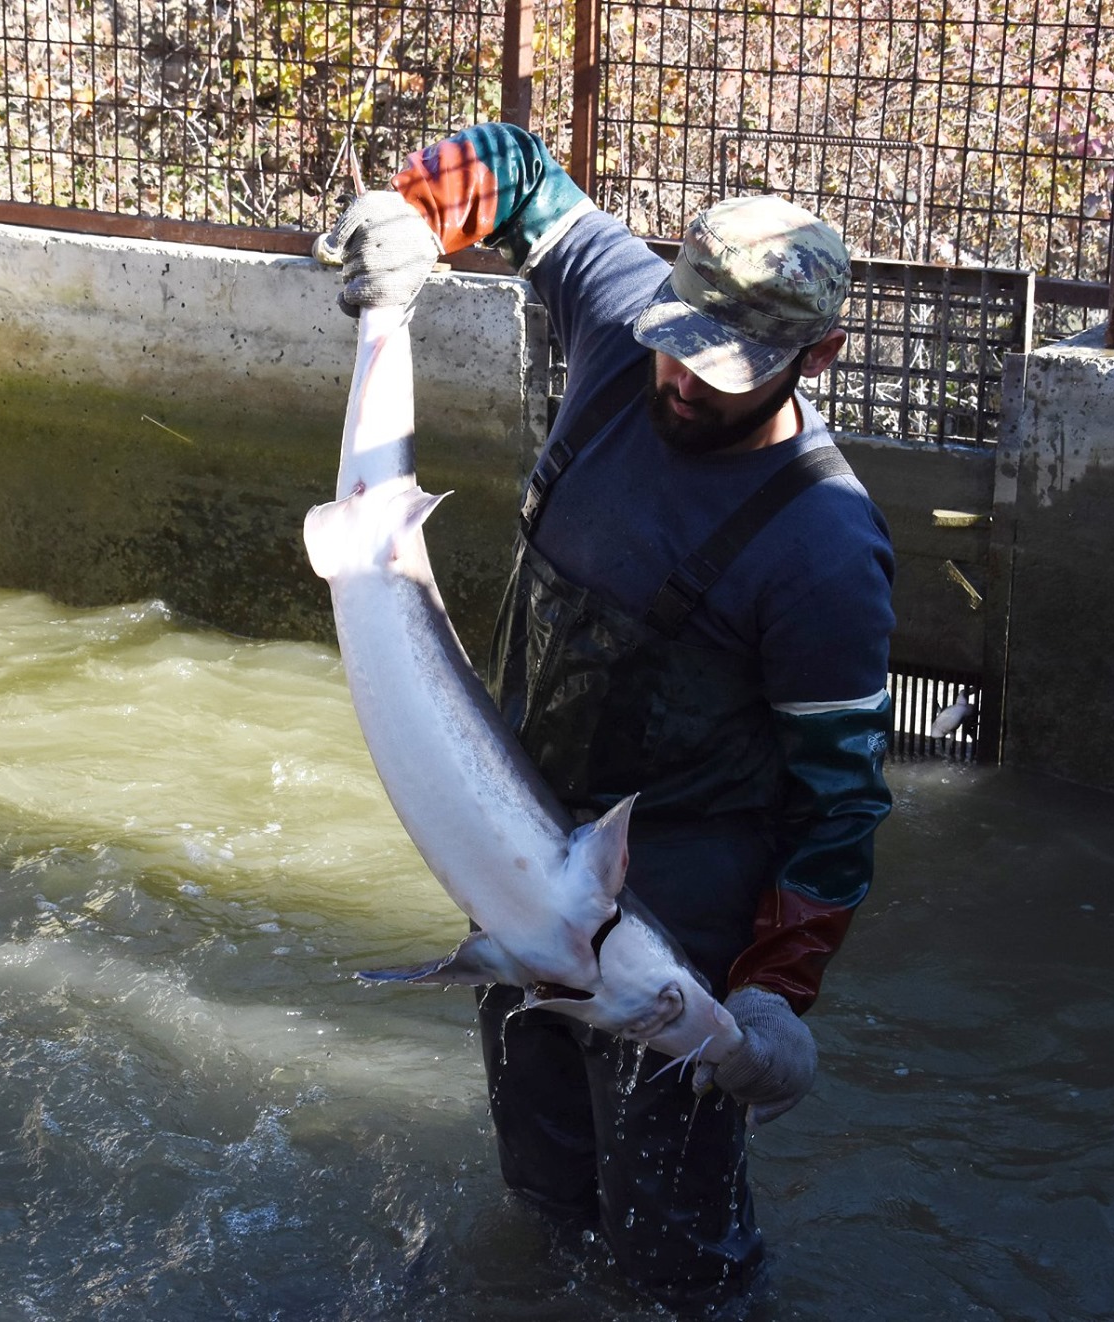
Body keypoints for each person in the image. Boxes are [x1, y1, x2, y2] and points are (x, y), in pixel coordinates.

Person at [317, 124, 895, 1304]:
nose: (678, 378)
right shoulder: (624, 312)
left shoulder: (825, 548)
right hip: (515, 843)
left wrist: (770, 995)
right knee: (541, 1187)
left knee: (676, 1257)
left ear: (818, 356)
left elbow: (839, 805)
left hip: (671, 924)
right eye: (676, 341)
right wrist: (415, 216)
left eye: (721, 367)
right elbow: (517, 172)